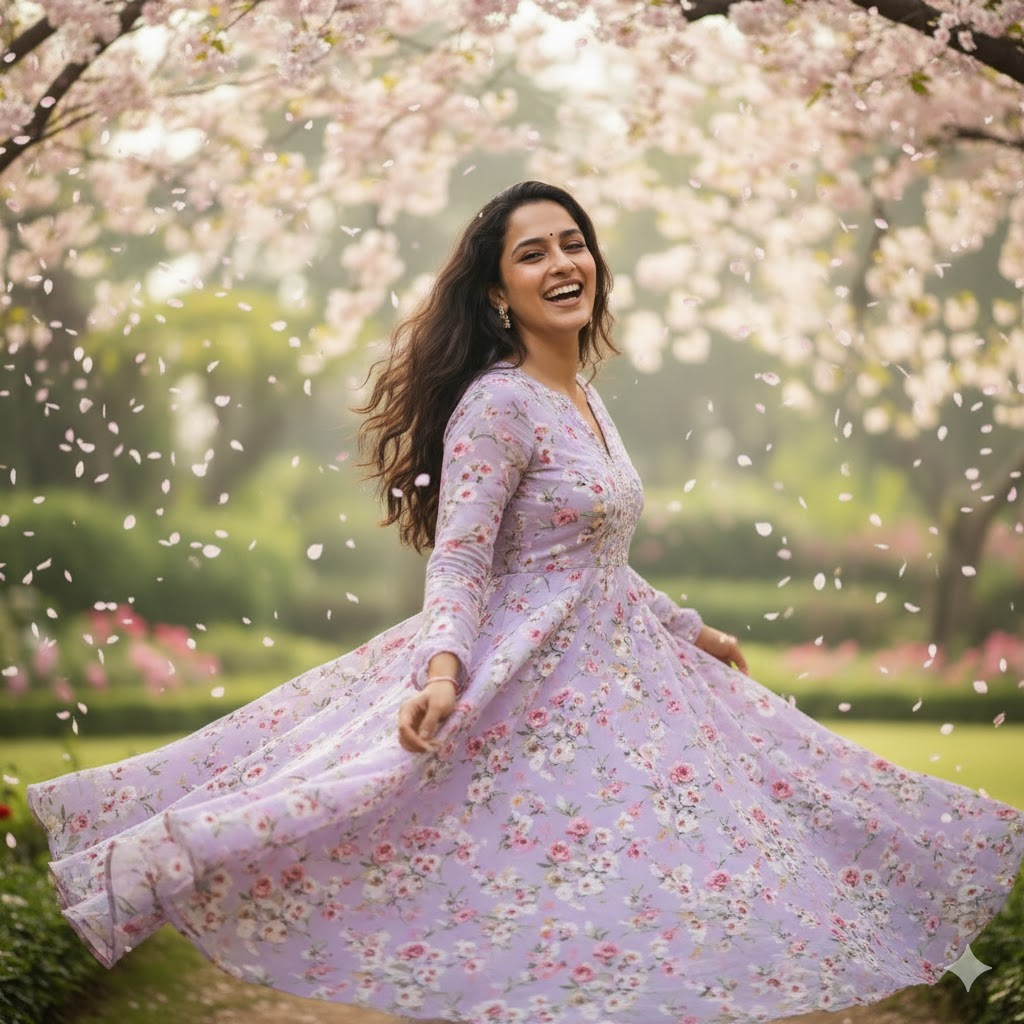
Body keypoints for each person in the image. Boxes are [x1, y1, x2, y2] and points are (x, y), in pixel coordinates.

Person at [28, 181, 1023, 1024]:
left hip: (623, 682)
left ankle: (943, 968)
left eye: (572, 243)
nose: (561, 262)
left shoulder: (587, 399)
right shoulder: (498, 406)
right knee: (531, 888)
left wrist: (692, 629)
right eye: (531, 252)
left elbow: (591, 555)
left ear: (595, 264)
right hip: (532, 686)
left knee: (702, 857)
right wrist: (443, 671)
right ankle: (162, 855)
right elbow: (461, 561)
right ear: (499, 290)